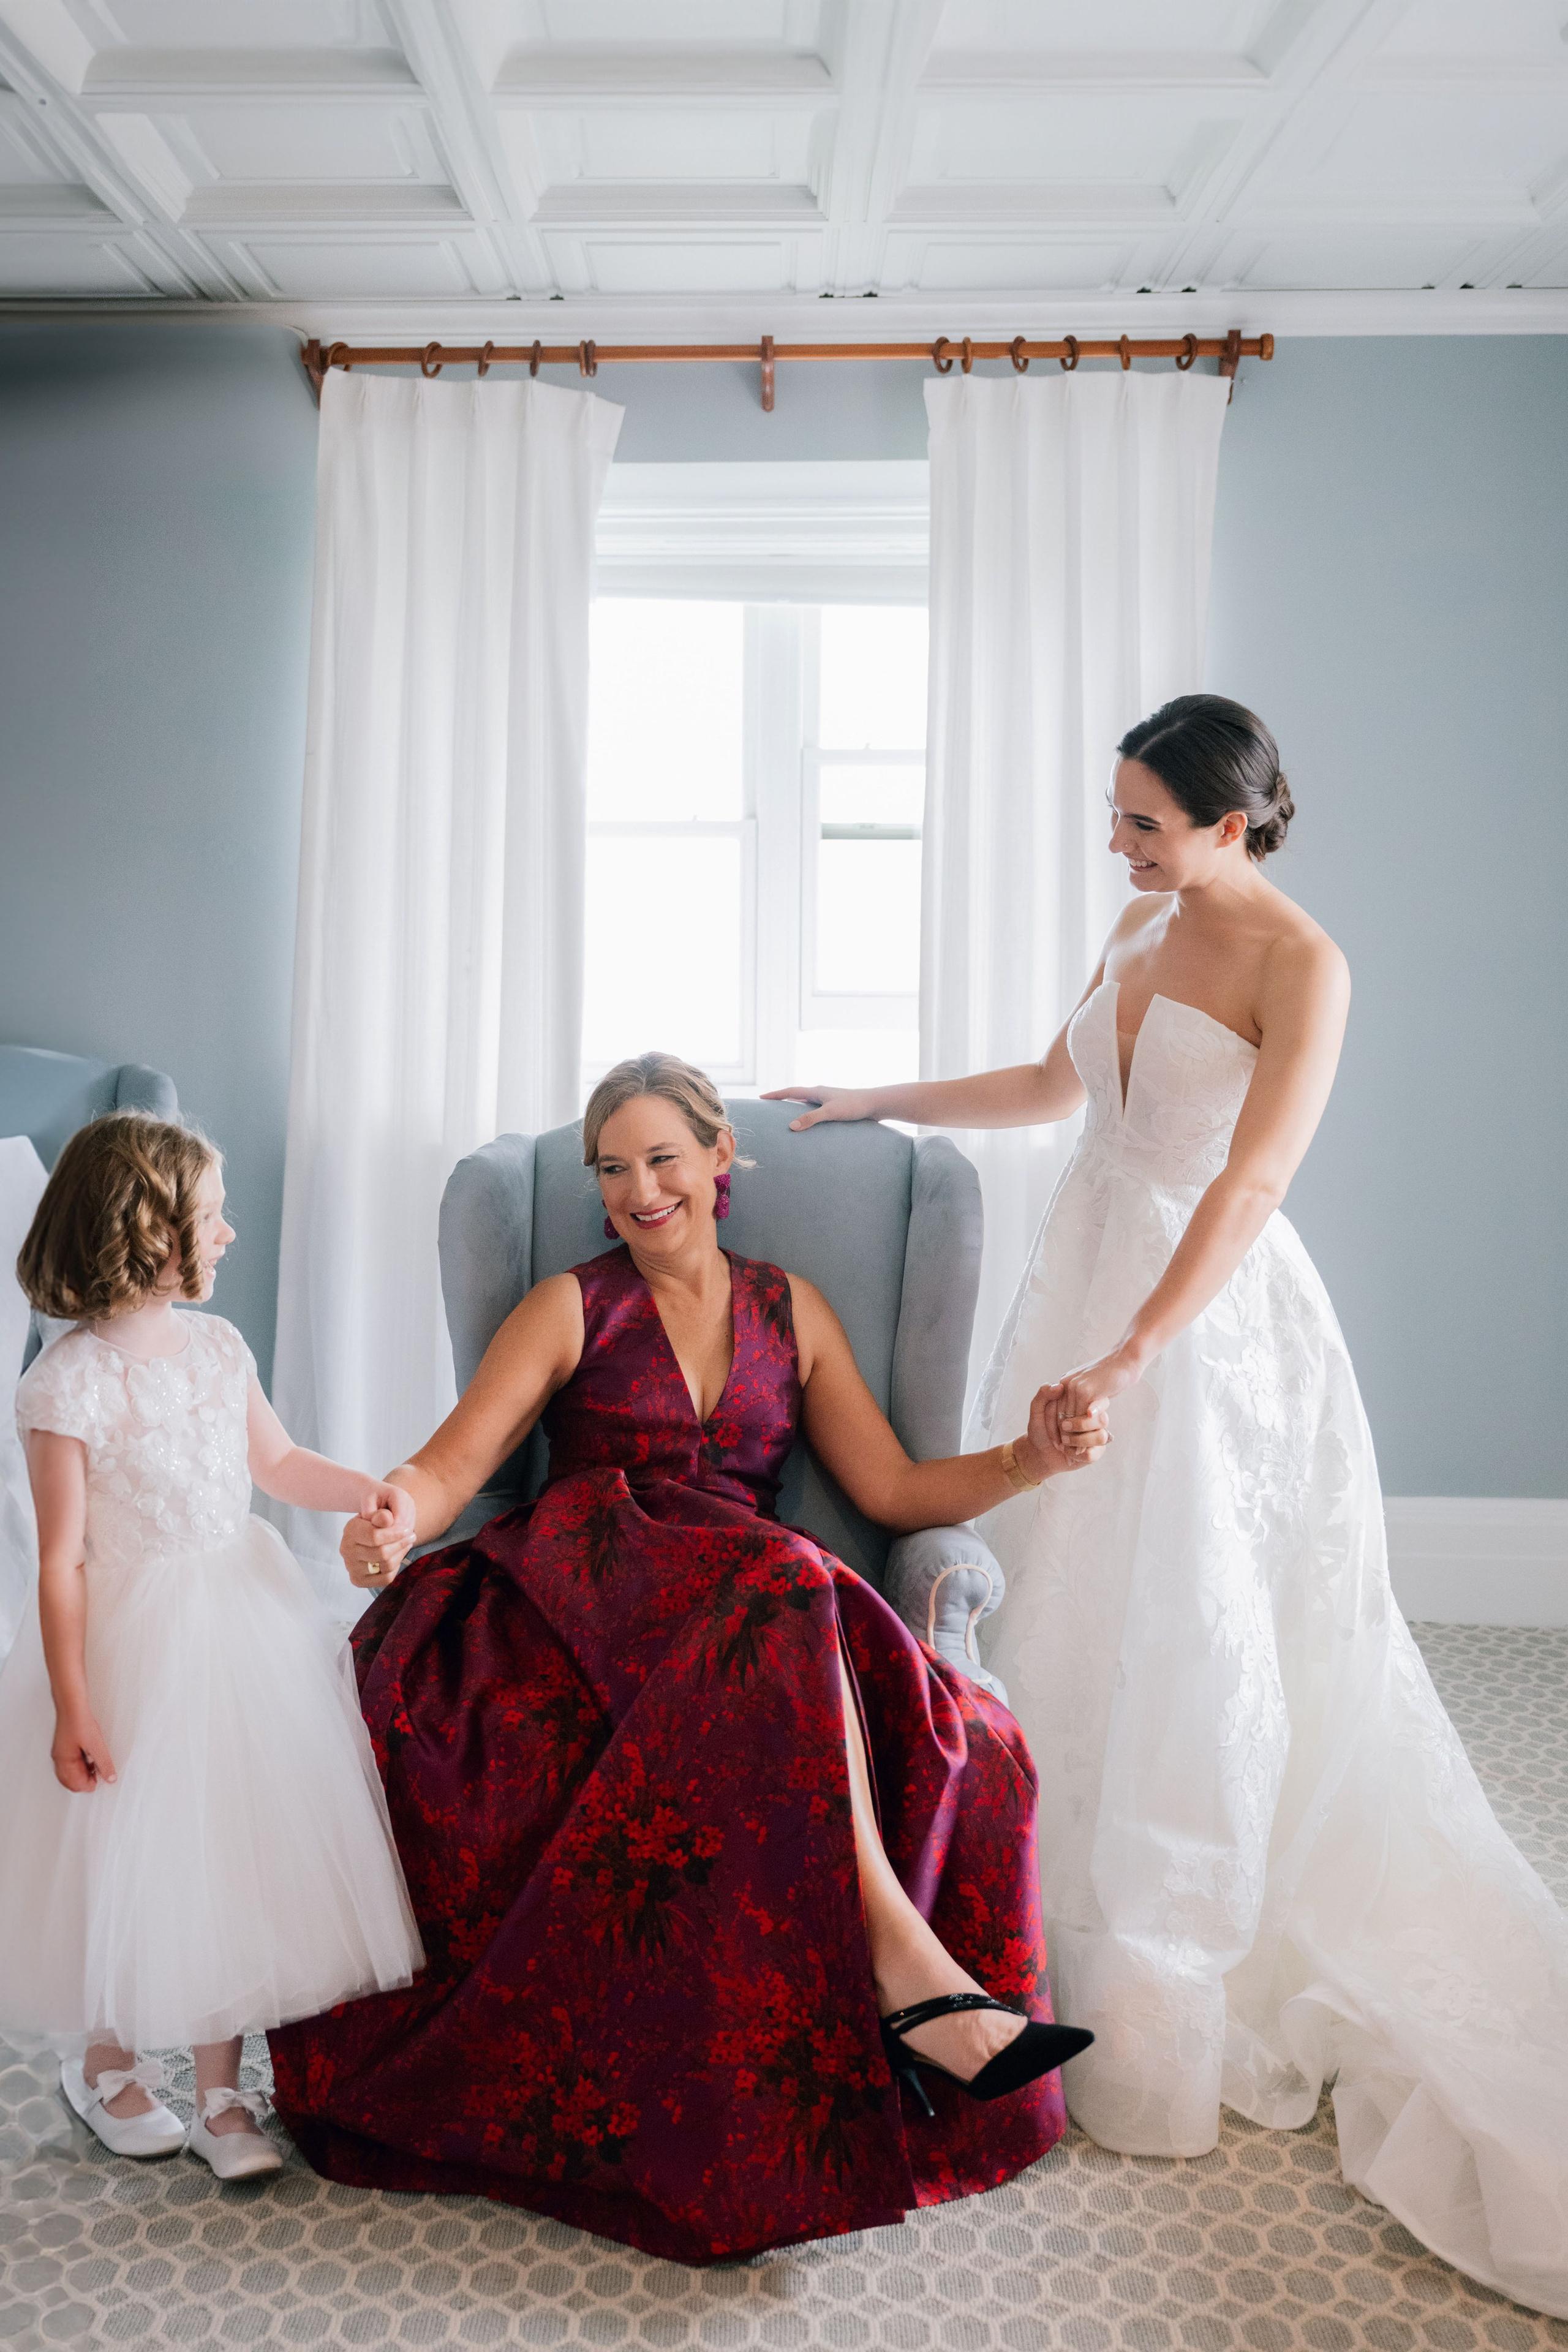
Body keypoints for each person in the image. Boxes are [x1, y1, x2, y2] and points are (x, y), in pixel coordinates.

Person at [768, 694, 1568, 2318]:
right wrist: (871, 1100)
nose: (1115, 843)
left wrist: (1134, 1352)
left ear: (1232, 822)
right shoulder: (1139, 922)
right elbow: (1047, 1082)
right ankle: (1015, 1918)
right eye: (1115, 812)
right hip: (1083, 1275)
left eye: (1142, 821)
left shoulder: (1302, 965)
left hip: (1200, 1324)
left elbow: (1249, 1184)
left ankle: (1166, 1982)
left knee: (1191, 1619)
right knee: (1060, 1581)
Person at [269, 1052, 1104, 2266]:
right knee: (790, 1580)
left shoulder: (792, 1309)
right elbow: (452, 1464)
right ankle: (917, 1984)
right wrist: (395, 1510)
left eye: (661, 1159)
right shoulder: (568, 1305)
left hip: (747, 1605)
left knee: (849, 1636)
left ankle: (912, 1990)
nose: (637, 1191)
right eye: (612, 1169)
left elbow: (889, 1488)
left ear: (720, 1159)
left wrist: (1030, 1461)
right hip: (584, 1583)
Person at [0, 1114, 423, 2180]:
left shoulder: (219, 1348)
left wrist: (366, 1489)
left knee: (230, 1847)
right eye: (212, 1216)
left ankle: (220, 2094)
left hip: (239, 1622)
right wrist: (73, 1703)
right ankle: (105, 2061)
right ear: (148, 1231)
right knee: (124, 1852)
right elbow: (61, 1561)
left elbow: (276, 1464)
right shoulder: (65, 1384)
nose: (230, 1233)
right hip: (129, 1643)